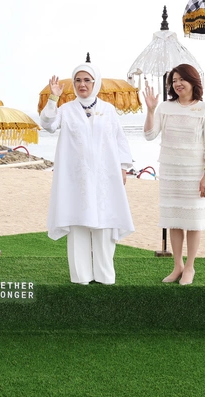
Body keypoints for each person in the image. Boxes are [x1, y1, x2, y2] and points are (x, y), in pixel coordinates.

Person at [41, 57, 134, 285]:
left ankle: (104, 275)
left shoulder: (108, 110)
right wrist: (53, 98)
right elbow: (48, 124)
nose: (82, 84)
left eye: (87, 80)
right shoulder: (66, 109)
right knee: (78, 222)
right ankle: (81, 276)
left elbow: (119, 140)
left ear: (95, 82)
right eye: (78, 80)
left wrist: (123, 166)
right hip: (76, 178)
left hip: (105, 176)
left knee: (105, 223)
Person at [143, 64, 205, 285]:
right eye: (174, 80)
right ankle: (177, 266)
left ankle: (190, 267)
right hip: (170, 172)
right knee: (174, 219)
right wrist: (151, 110)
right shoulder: (165, 108)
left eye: (182, 79)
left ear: (193, 81)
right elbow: (149, 135)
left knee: (193, 221)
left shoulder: (204, 109)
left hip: (194, 174)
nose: (177, 83)